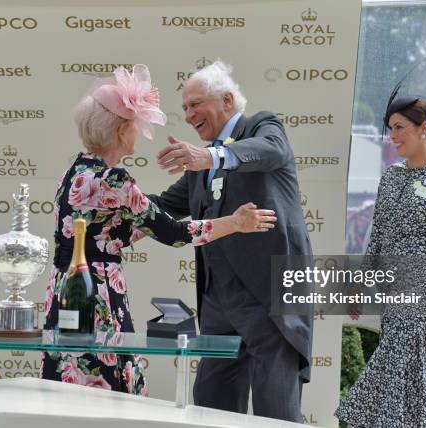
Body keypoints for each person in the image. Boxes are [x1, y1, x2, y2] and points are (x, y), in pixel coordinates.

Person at [40, 64, 277, 393]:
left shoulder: (75, 172)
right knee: (111, 389)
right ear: (122, 130)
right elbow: (174, 234)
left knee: (67, 388)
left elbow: (109, 232)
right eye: (136, 126)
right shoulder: (115, 179)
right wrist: (235, 222)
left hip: (63, 291)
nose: (139, 133)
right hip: (98, 295)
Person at [149, 60, 313, 422]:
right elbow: (160, 209)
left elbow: (270, 150)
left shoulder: (263, 126)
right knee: (210, 407)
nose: (189, 116)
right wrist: (111, 194)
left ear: (226, 100)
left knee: (276, 414)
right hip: (218, 305)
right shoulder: (199, 167)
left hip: (271, 297)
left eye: (195, 105)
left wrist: (210, 156)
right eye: (185, 108)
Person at [335, 96, 426, 427]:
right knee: (414, 369)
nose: (392, 136)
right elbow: (378, 237)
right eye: (389, 129)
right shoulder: (392, 176)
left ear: (424, 128)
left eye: (399, 128)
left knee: (400, 361)